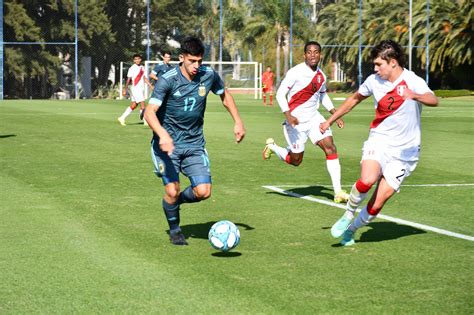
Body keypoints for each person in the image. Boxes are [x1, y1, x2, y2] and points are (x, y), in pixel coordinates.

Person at [320, 40, 438, 246]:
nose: (375, 69)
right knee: (367, 179)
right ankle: (348, 215)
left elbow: (433, 99)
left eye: (378, 64)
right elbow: (354, 99)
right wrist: (329, 119)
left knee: (378, 201)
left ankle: (351, 231)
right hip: (379, 140)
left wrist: (414, 95)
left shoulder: (412, 80)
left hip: (406, 153)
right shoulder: (374, 81)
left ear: (392, 62)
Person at [144, 37, 246, 246]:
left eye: (199, 61)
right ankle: (175, 229)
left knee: (203, 192)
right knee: (171, 189)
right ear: (181, 58)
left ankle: (175, 202)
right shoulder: (168, 79)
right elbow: (149, 111)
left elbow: (224, 95)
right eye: (192, 61)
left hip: (194, 144)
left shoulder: (208, 75)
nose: (196, 66)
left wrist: (238, 121)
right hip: (167, 145)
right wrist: (162, 134)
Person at [262, 41, 349, 203]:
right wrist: (288, 115)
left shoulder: (321, 76)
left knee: (330, 146)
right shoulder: (295, 72)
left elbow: (323, 95)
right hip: (295, 121)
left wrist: (334, 114)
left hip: (314, 118)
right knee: (296, 160)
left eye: (316, 52)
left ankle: (338, 192)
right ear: (304, 55)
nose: (313, 55)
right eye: (309, 52)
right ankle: (273, 147)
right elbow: (280, 94)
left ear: (320, 55)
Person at [118, 54, 153, 126]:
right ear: (134, 60)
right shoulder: (132, 68)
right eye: (135, 59)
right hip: (135, 88)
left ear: (140, 59)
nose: (137, 60)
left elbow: (144, 78)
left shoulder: (142, 67)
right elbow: (128, 79)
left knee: (134, 105)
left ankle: (122, 118)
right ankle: (145, 121)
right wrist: (125, 89)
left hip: (140, 88)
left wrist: (150, 86)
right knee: (143, 103)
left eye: (138, 59)